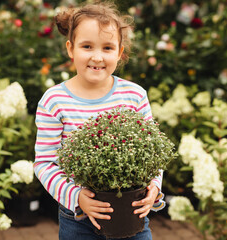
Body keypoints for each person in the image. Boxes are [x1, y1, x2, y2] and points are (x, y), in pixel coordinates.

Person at [34, 2, 165, 239]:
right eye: (87, 46)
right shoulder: (54, 101)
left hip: (131, 210)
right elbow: (44, 163)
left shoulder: (134, 96)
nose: (97, 56)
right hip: (79, 219)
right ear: (70, 49)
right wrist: (77, 197)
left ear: (119, 51)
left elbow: (154, 154)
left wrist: (154, 187)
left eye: (107, 47)